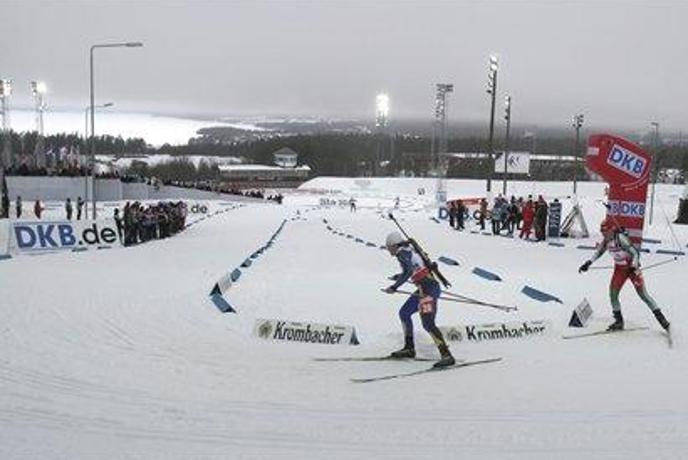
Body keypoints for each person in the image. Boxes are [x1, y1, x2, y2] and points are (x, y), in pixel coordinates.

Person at [578, 217, 670, 332]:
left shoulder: (620, 238)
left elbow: (635, 253)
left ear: (612, 230)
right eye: (602, 232)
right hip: (619, 270)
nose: (604, 235)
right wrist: (588, 263)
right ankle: (619, 321)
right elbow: (599, 252)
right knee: (613, 294)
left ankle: (663, 322)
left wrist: (634, 264)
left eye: (606, 232)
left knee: (643, 295)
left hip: (632, 270)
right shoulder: (606, 241)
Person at [383, 231, 455, 368]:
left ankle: (447, 355)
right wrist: (399, 276)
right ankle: (409, 348)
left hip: (429, 290)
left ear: (394, 245)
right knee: (404, 313)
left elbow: (409, 272)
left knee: (428, 323)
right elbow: (413, 269)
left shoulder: (402, 253)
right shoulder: (407, 250)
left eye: (388, 247)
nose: (388, 250)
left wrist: (395, 286)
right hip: (423, 289)